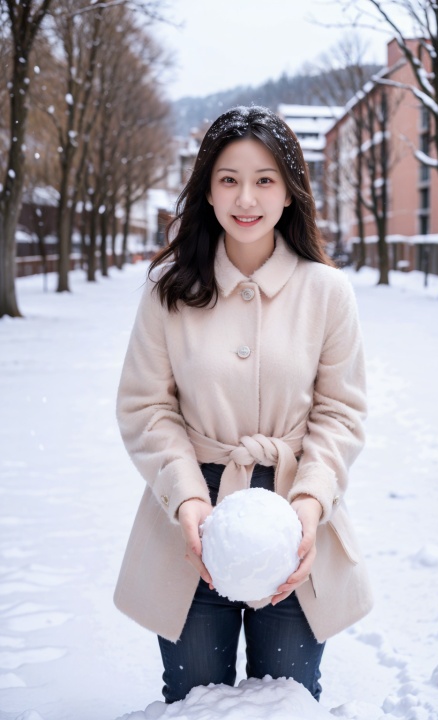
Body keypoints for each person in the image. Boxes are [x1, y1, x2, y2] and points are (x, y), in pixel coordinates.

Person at [114, 105, 373, 704]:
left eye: (264, 179)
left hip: (295, 506)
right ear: (207, 189)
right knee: (194, 694)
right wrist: (186, 498)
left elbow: (341, 413)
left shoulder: (328, 292)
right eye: (229, 178)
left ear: (289, 192)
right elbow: (146, 406)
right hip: (193, 512)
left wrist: (310, 503)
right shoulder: (170, 290)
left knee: (286, 695)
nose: (246, 197)